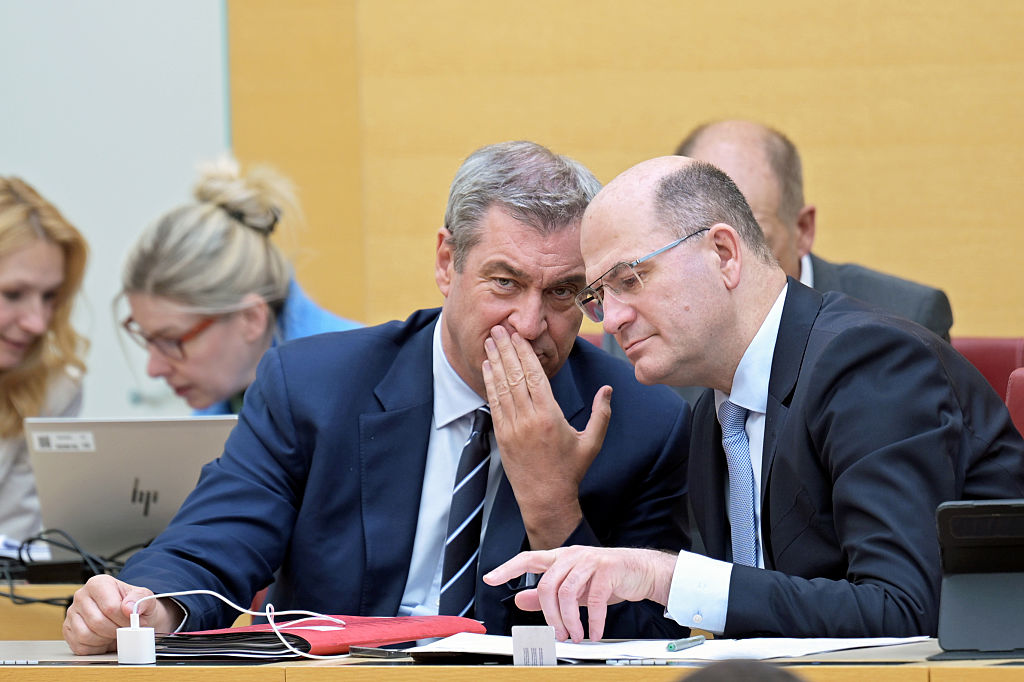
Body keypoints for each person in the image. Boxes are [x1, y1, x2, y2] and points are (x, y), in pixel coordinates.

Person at [63, 141, 690, 654]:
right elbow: (212, 545)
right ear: (447, 263)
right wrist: (146, 605)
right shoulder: (313, 387)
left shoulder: (643, 423)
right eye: (505, 282)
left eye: (562, 293)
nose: (529, 324)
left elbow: (650, 645)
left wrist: (552, 506)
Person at [485, 157, 1024, 642]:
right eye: (598, 296)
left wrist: (664, 575)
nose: (613, 319)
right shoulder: (715, 412)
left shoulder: (868, 361)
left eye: (630, 278)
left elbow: (904, 611)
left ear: (723, 254)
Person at [603, 120, 954, 390]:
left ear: (803, 229)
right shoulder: (642, 333)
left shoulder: (904, 321)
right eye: (706, 248)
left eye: (753, 238)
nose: (727, 268)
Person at [119, 159, 360, 414]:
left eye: (171, 341)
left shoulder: (364, 388)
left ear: (251, 318)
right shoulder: (222, 398)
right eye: (147, 339)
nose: (153, 369)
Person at [0, 177, 88, 542]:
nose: (37, 323)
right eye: (12, 294)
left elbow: (12, 551)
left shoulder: (51, 390)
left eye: (50, 296)